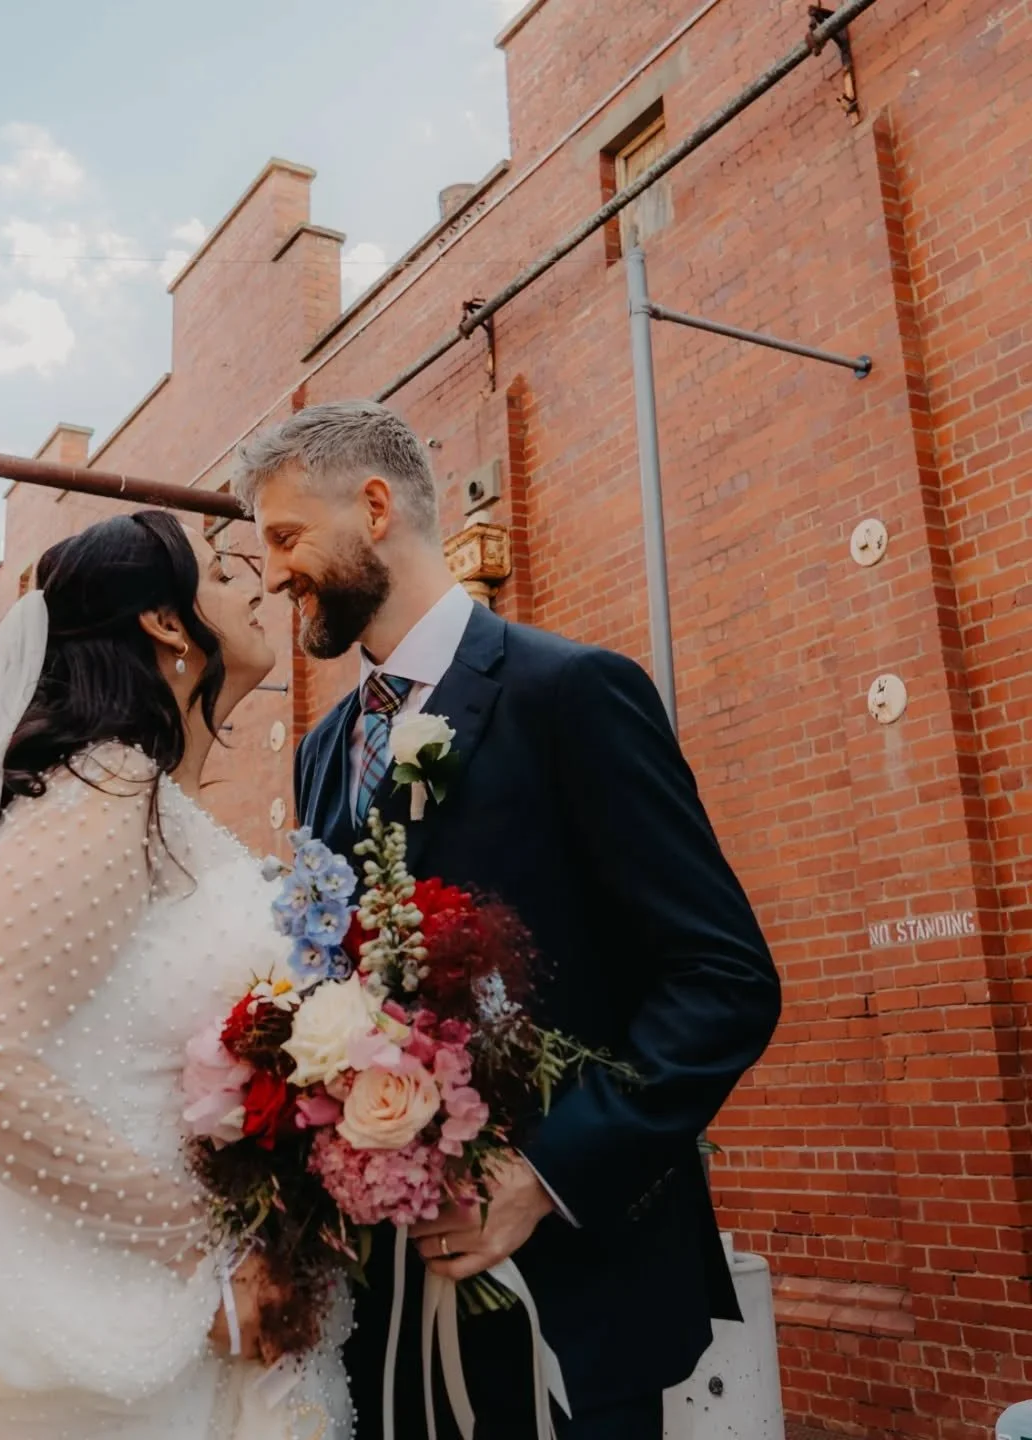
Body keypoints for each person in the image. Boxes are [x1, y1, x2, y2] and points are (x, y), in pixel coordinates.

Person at [233, 400, 782, 1440]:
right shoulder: (322, 749)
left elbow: (723, 980)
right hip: (382, 1310)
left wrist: (546, 1176)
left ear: (377, 508)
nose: (271, 574)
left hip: (566, 1300)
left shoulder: (571, 693)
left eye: (286, 536)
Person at [0, 511, 352, 1440]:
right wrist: (204, 1249)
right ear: (165, 621)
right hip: (96, 1316)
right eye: (224, 568)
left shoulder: (155, 804)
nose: (258, 585)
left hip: (166, 1297)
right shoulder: (103, 794)